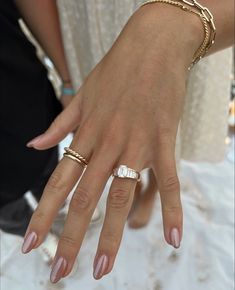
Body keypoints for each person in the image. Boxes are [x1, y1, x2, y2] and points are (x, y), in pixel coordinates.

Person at [21, 0, 234, 284]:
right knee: (116, 128)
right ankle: (138, 183)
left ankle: (152, 188)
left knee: (168, 132)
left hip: (199, 19)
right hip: (88, 22)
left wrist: (180, 27)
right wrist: (68, 79)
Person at [0, 0, 73, 237]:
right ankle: (34, 236)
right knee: (13, 217)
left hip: (25, 105)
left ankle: (57, 210)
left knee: (50, 174)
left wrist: (68, 82)